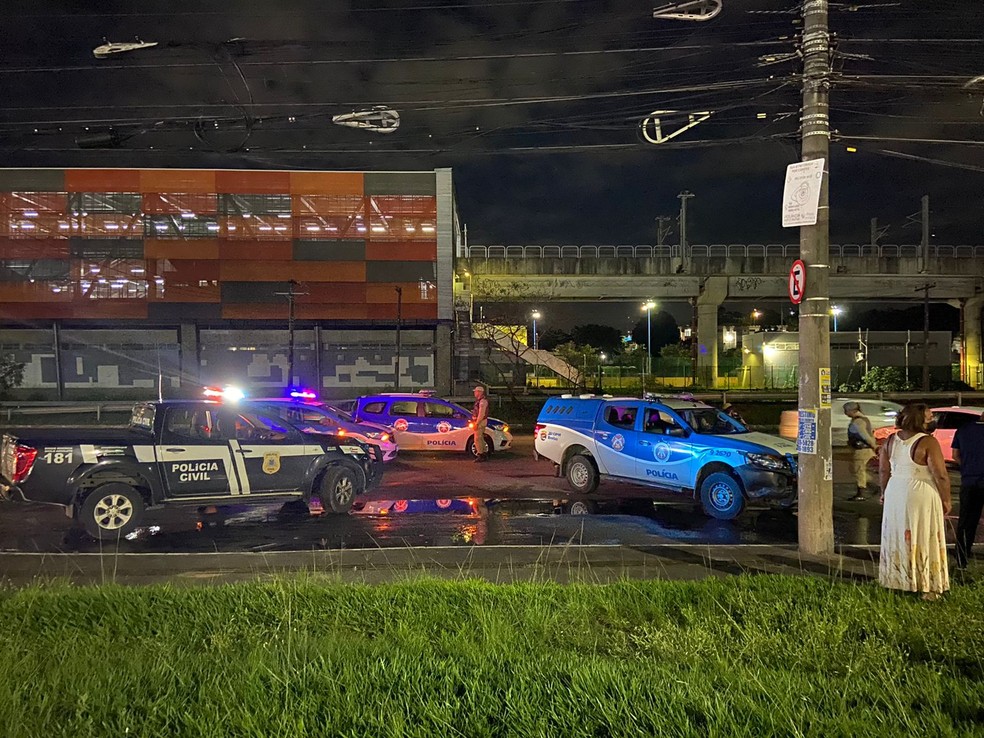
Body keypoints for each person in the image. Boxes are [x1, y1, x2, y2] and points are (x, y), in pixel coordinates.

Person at [878, 403, 952, 600]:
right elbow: (940, 474)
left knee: (898, 534)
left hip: (895, 489)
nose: (931, 420)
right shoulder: (927, 442)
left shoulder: (890, 440)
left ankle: (898, 579)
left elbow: (884, 470)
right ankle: (927, 585)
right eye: (929, 417)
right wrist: (946, 499)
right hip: (921, 490)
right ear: (920, 420)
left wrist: (884, 492)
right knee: (924, 533)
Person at [952, 410, 984, 570]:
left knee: (966, 522)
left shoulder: (963, 429)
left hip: (969, 480)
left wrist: (965, 466)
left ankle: (961, 559)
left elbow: (955, 454)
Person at [844, 401, 878, 501]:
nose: (845, 413)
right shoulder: (863, 419)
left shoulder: (858, 422)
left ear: (852, 411)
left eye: (846, 411)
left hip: (861, 450)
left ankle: (862, 491)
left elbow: (865, 436)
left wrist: (874, 446)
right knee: (859, 470)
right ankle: (870, 486)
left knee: (858, 471)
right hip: (864, 449)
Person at [471, 384, 490, 462]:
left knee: (477, 439)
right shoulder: (480, 401)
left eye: (475, 391)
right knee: (480, 438)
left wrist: (477, 423)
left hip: (480, 422)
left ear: (479, 392)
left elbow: (481, 414)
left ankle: (480, 454)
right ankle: (483, 454)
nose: (474, 393)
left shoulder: (482, 401)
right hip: (481, 421)